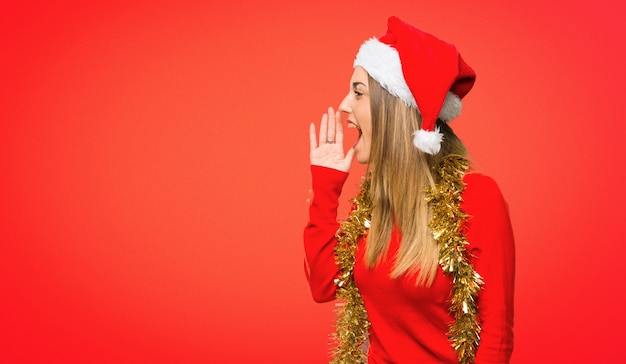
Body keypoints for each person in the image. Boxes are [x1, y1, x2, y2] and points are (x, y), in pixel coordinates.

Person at [303, 16, 515, 364]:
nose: (344, 105)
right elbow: (324, 285)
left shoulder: (476, 197)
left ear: (394, 108)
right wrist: (326, 190)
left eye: (358, 92)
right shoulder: (375, 205)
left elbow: (496, 336)